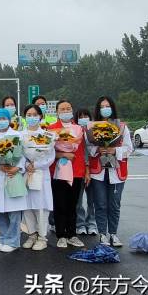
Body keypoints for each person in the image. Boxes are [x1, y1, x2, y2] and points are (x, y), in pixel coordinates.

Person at [88, 96, 133, 247]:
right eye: (102, 106)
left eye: (107, 106)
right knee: (100, 203)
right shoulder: (92, 127)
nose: (105, 109)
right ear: (98, 109)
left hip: (117, 172)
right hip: (98, 172)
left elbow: (129, 148)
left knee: (114, 204)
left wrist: (115, 150)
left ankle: (113, 233)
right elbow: (87, 147)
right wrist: (97, 149)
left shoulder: (121, 127)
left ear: (112, 108)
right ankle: (102, 234)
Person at [46, 100, 87, 248]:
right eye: (62, 109)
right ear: (57, 112)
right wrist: (62, 154)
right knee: (60, 203)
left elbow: (82, 152)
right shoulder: (51, 129)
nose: (65, 111)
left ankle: (72, 234)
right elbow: (48, 152)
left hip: (76, 171)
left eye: (68, 108)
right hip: (58, 171)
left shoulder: (79, 129)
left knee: (73, 204)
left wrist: (84, 171)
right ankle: (61, 235)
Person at [0, 108, 27, 253]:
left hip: (13, 175)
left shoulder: (17, 135)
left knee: (14, 213)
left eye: (4, 118)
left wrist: (18, 167)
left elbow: (23, 155)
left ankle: (13, 241)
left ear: (9, 120)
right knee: (0, 213)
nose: (1, 121)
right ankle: (4, 238)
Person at [19, 105, 55, 251]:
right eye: (28, 114)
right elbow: (17, 154)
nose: (32, 117)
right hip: (26, 173)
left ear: (40, 116)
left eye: (35, 114)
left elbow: (51, 157)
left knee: (41, 206)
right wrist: (26, 164)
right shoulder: (20, 136)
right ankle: (31, 234)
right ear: (24, 117)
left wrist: (37, 164)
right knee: (27, 206)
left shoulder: (47, 136)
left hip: (40, 173)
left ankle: (42, 237)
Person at [74, 108, 97, 235]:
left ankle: (92, 223)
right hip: (81, 170)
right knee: (78, 200)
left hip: (96, 170)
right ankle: (80, 223)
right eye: (80, 116)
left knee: (92, 200)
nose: (83, 118)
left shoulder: (96, 131)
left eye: (86, 116)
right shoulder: (75, 133)